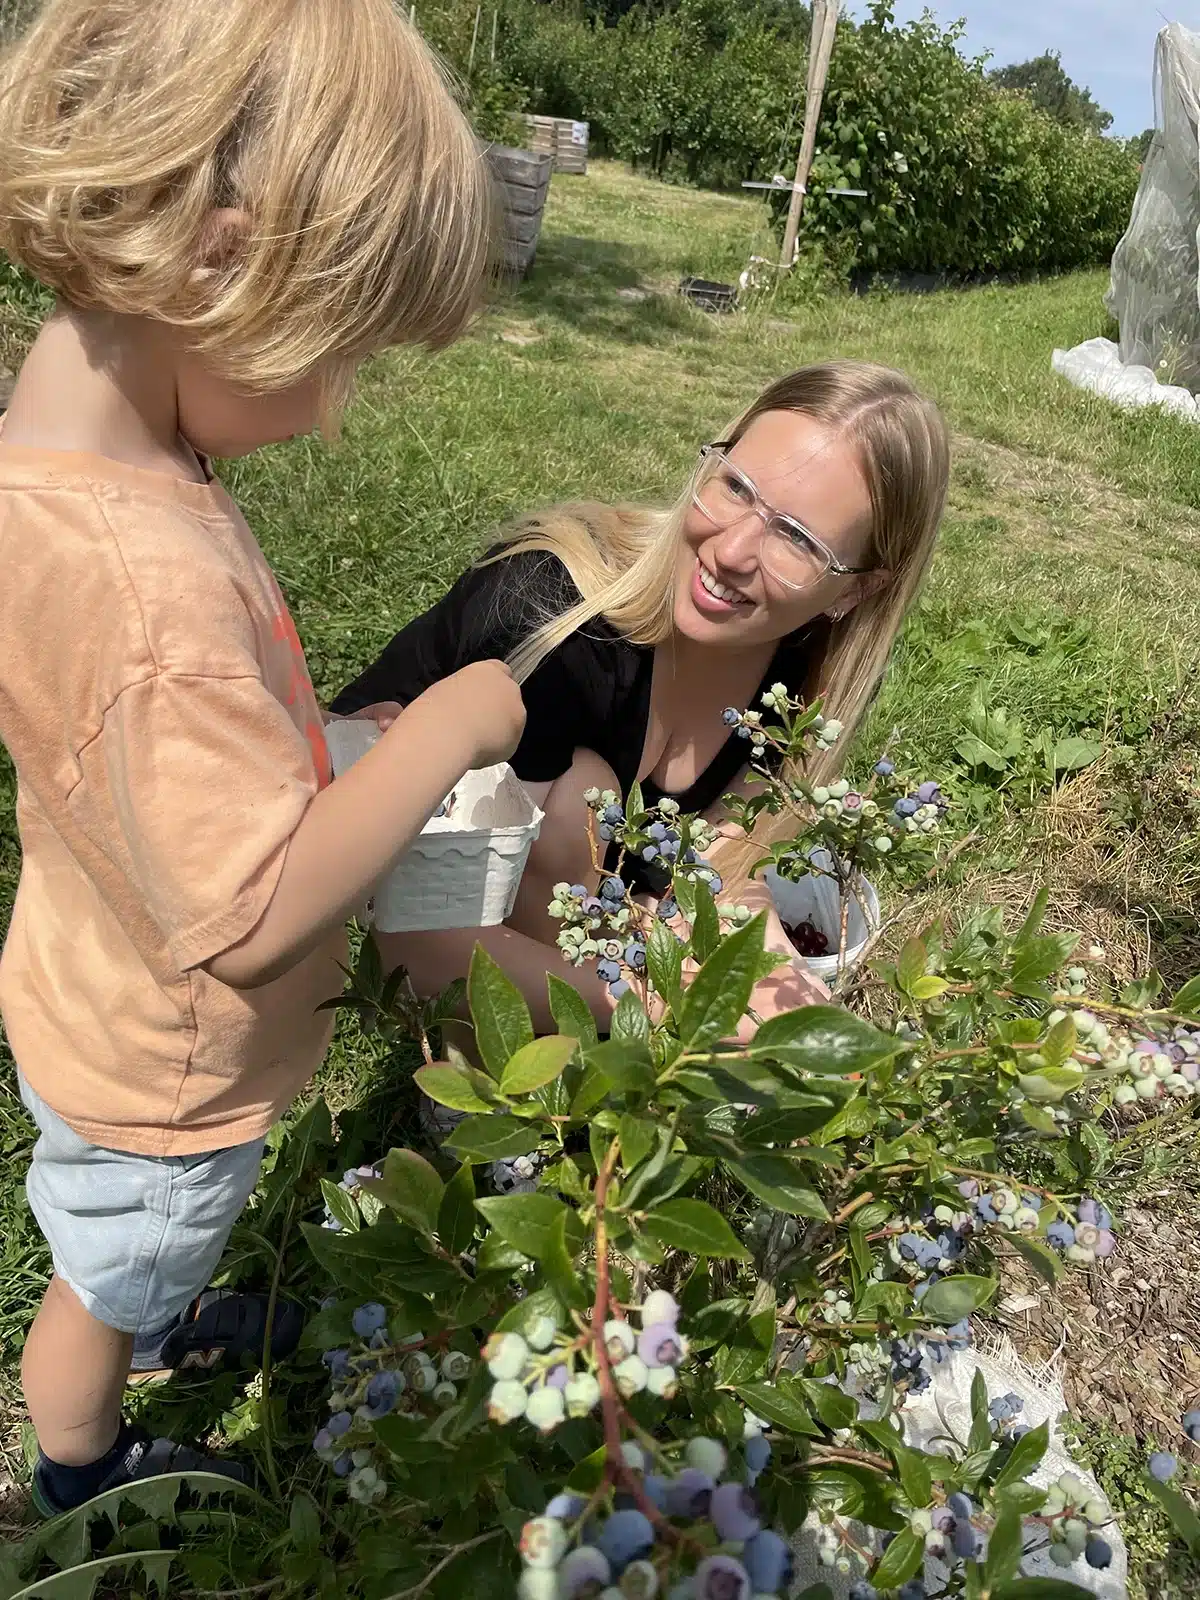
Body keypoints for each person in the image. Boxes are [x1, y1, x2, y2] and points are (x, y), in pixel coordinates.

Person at [0, 0, 525, 1515]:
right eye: (337, 350)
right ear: (220, 264)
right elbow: (247, 917)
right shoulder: (144, 589)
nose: (338, 410)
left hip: (88, 973)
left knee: (131, 1250)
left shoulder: (80, 465)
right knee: (106, 1272)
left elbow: (166, 768)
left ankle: (155, 1320)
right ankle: (86, 1465)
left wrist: (327, 746)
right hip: (165, 1073)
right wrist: (439, 728)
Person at [334, 361, 950, 1029]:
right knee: (579, 803)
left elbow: (723, 880)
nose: (733, 551)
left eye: (798, 540)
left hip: (589, 913)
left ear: (856, 590)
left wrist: (785, 1007)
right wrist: (661, 1003)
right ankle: (498, 1091)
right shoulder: (552, 624)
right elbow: (423, 946)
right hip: (387, 887)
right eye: (737, 488)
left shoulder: (805, 679)